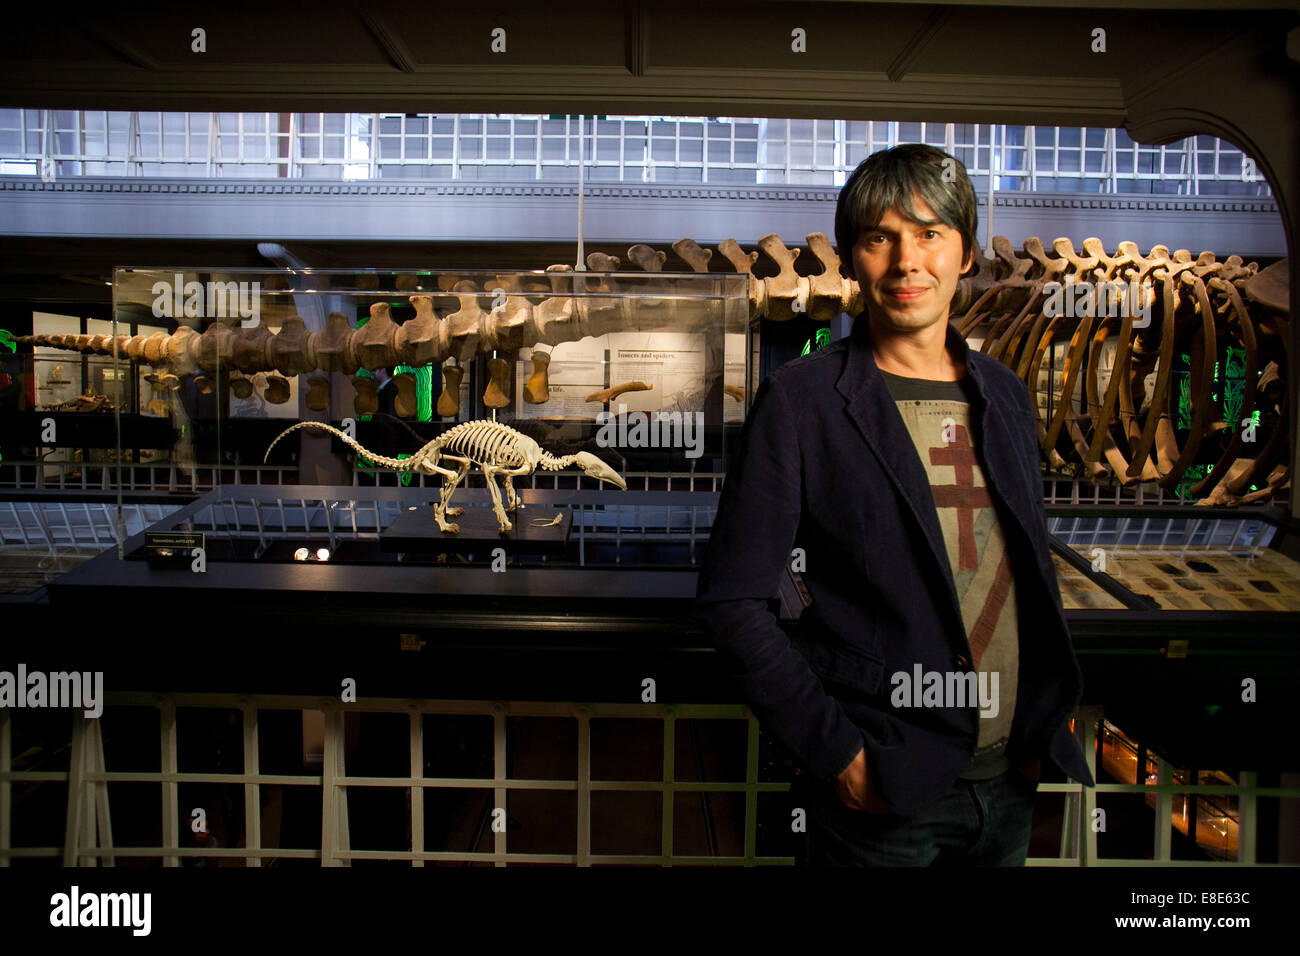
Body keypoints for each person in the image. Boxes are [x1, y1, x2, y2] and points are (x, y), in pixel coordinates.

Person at [694, 143, 1094, 866]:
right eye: (881, 238)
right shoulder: (803, 403)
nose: (908, 261)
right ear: (853, 259)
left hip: (1010, 782)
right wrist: (838, 753)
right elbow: (732, 600)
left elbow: (1023, 569)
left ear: (965, 254)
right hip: (884, 789)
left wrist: (1041, 722)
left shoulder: (1003, 394)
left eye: (930, 234)